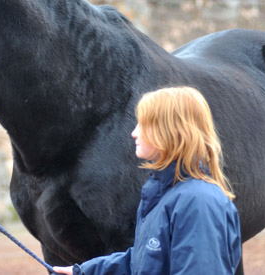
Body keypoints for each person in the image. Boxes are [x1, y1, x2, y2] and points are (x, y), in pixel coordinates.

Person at [53, 86, 241, 275]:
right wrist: (83, 272)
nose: (134, 133)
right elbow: (144, 262)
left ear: (169, 131)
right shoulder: (167, 193)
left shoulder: (198, 202)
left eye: (143, 124)